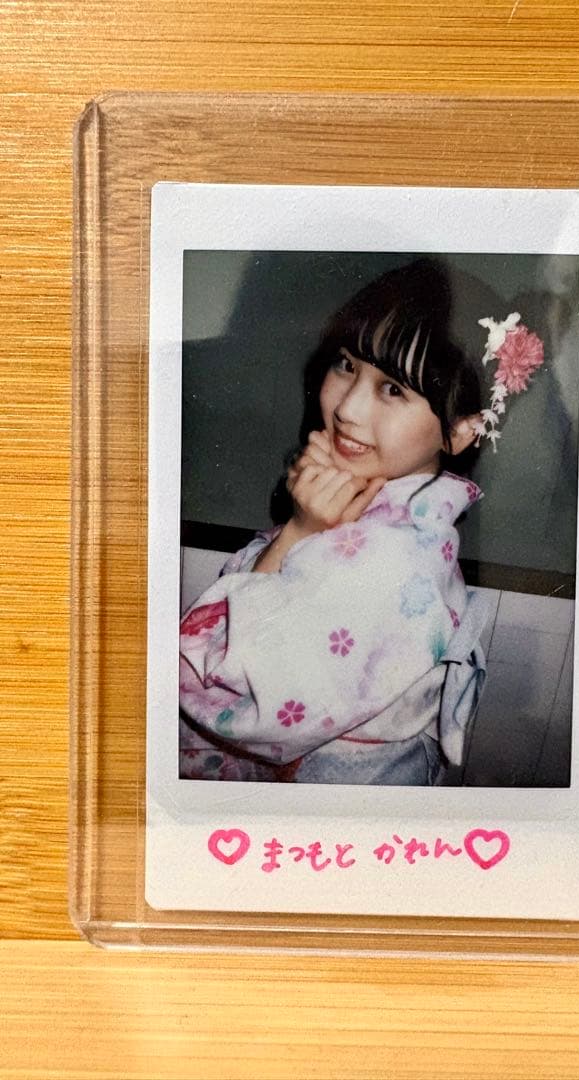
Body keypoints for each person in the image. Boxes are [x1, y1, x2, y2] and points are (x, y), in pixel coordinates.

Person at [178, 258, 543, 785]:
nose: (347, 409)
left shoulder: (392, 562)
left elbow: (216, 690)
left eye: (393, 389)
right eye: (346, 365)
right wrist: (304, 524)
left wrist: (300, 532)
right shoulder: (392, 512)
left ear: (461, 431)